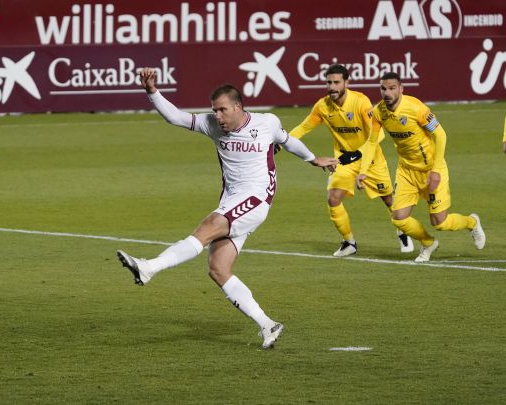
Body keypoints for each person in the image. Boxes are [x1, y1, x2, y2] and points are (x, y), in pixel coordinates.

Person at [116, 67, 338, 349]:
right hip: (233, 201)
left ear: (238, 107)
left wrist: (312, 159)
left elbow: (286, 140)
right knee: (218, 268)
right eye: (214, 111)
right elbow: (175, 117)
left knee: (207, 227)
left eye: (222, 110)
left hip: (257, 199)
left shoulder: (266, 122)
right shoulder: (212, 125)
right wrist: (152, 91)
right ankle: (268, 324)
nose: (217, 116)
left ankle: (150, 267)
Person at [357, 72, 486, 262]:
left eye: (392, 88)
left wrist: (435, 170)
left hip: (432, 170)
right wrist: (363, 171)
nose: (387, 93)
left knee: (439, 222)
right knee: (398, 218)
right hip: (406, 171)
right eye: (383, 88)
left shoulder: (416, 108)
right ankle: (428, 243)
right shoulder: (378, 112)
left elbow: (441, 135)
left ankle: (472, 222)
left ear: (401, 89)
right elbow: (371, 141)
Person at [289, 64, 413, 257]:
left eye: (337, 82)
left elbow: (377, 135)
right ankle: (349, 242)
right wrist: (283, 140)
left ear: (347, 82)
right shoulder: (322, 106)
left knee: (389, 199)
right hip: (343, 161)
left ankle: (403, 231)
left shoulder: (360, 102)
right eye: (329, 82)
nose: (332, 87)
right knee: (333, 198)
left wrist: (357, 154)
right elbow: (304, 128)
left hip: (370, 159)